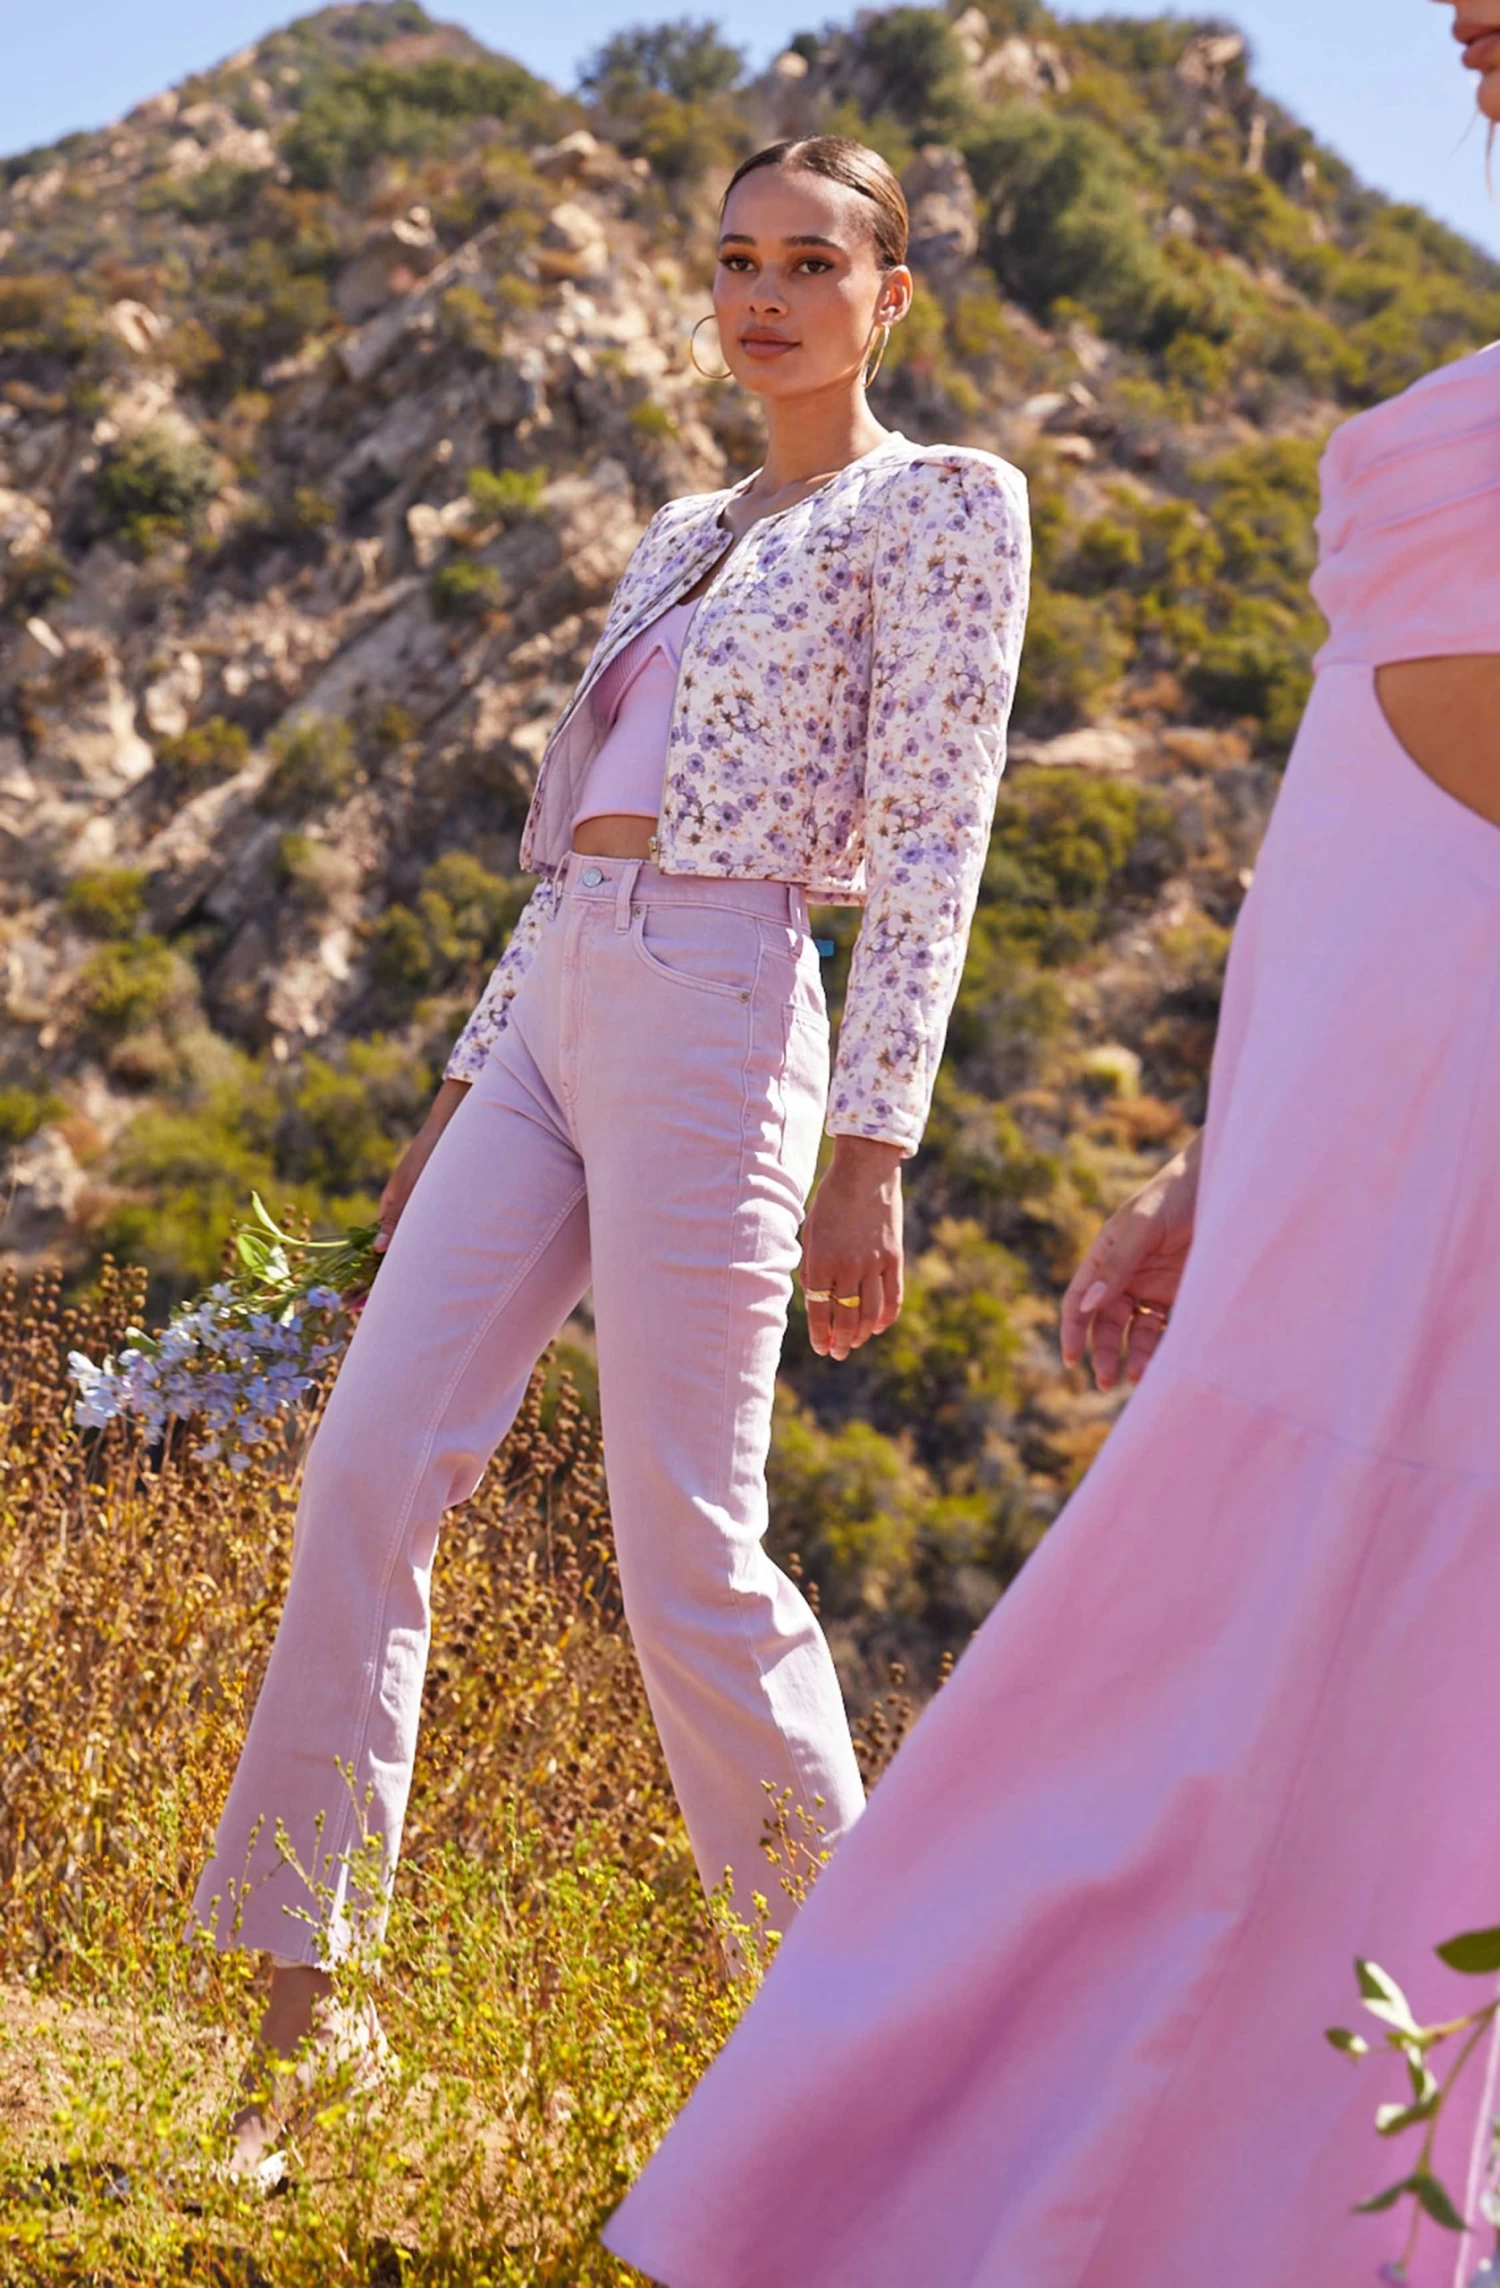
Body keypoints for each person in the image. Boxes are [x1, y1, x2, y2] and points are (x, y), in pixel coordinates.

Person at [602, 11, 1500, 2287]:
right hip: (1340, 1119)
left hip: (1460, 1178)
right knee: (1204, 1681)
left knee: (1390, 1697)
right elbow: (1356, 839)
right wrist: (1217, 1155)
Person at [188, 134, 1030, 2169]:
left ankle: (865, 2072)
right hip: (556, 999)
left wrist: (875, 1143)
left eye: (810, 262)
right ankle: (310, 2026)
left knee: (687, 1552)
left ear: (890, 295)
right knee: (366, 1469)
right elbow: (570, 847)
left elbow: (937, 838)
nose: (766, 296)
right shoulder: (679, 528)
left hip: (730, 999)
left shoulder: (943, 503)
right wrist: (460, 1089)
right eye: (737, 260)